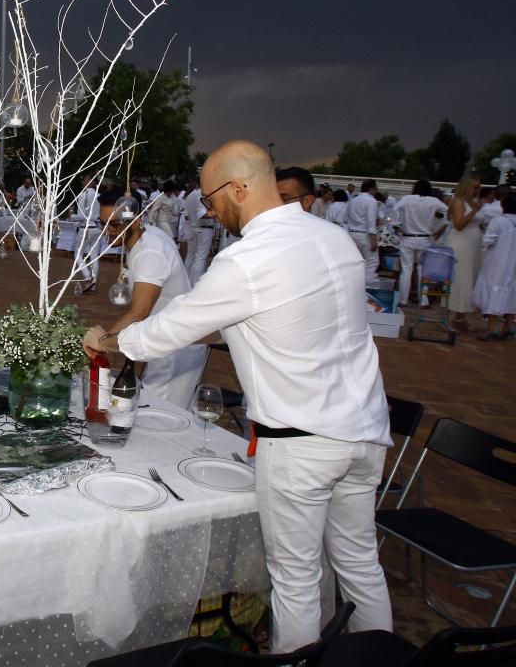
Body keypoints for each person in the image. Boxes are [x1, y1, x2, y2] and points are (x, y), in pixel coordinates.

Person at [113, 141, 392, 652]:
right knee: (359, 564)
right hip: (366, 431)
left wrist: (112, 340)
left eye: (210, 198)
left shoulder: (248, 260)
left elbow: (173, 328)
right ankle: (382, 656)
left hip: (302, 442)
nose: (208, 210)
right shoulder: (334, 239)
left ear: (238, 189)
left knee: (296, 581)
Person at [83, 196, 206, 409]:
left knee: (159, 416)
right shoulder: (147, 234)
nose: (108, 231)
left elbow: (139, 313)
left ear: (136, 219)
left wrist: (102, 341)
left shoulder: (149, 253)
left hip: (176, 347)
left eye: (115, 224)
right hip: (166, 337)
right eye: (103, 224)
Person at [394, 180, 448, 306]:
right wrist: (443, 226)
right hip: (425, 239)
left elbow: (394, 209)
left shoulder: (407, 199)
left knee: (406, 270)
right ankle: (423, 300)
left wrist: (396, 226)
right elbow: (449, 211)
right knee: (422, 270)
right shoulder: (434, 201)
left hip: (408, 237)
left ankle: (403, 299)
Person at [472, 193, 516, 341]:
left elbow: (487, 242)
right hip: (513, 265)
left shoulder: (498, 221)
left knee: (494, 293)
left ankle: (491, 328)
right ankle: (507, 327)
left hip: (498, 263)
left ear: (503, 205)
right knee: (511, 294)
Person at [444, 175, 484, 332]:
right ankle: (447, 317)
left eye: (479, 187)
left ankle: (461, 317)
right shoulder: (459, 202)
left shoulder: (474, 203)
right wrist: (474, 211)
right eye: (475, 187)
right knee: (458, 279)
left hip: (473, 245)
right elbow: (459, 224)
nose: (478, 190)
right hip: (460, 244)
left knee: (469, 280)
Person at [346, 179, 382, 283]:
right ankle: (367, 288)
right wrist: (374, 241)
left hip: (351, 234)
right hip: (364, 235)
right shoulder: (371, 201)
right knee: (372, 262)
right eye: (376, 189)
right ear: (372, 189)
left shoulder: (353, 200)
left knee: (355, 263)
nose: (376, 191)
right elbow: (371, 223)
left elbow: (345, 219)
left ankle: (354, 286)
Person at [182, 182, 216, 284]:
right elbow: (202, 214)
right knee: (200, 258)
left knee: (191, 256)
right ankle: (195, 284)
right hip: (203, 229)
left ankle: (186, 281)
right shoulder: (202, 195)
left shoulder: (191, 195)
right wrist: (216, 212)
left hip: (192, 228)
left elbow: (186, 215)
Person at [72, 176, 101, 293]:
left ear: (89, 182)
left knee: (77, 254)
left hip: (86, 228)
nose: (83, 182)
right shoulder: (99, 196)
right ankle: (93, 283)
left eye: (84, 180)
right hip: (97, 228)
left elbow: (81, 216)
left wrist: (71, 216)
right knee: (94, 256)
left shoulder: (83, 195)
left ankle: (87, 276)